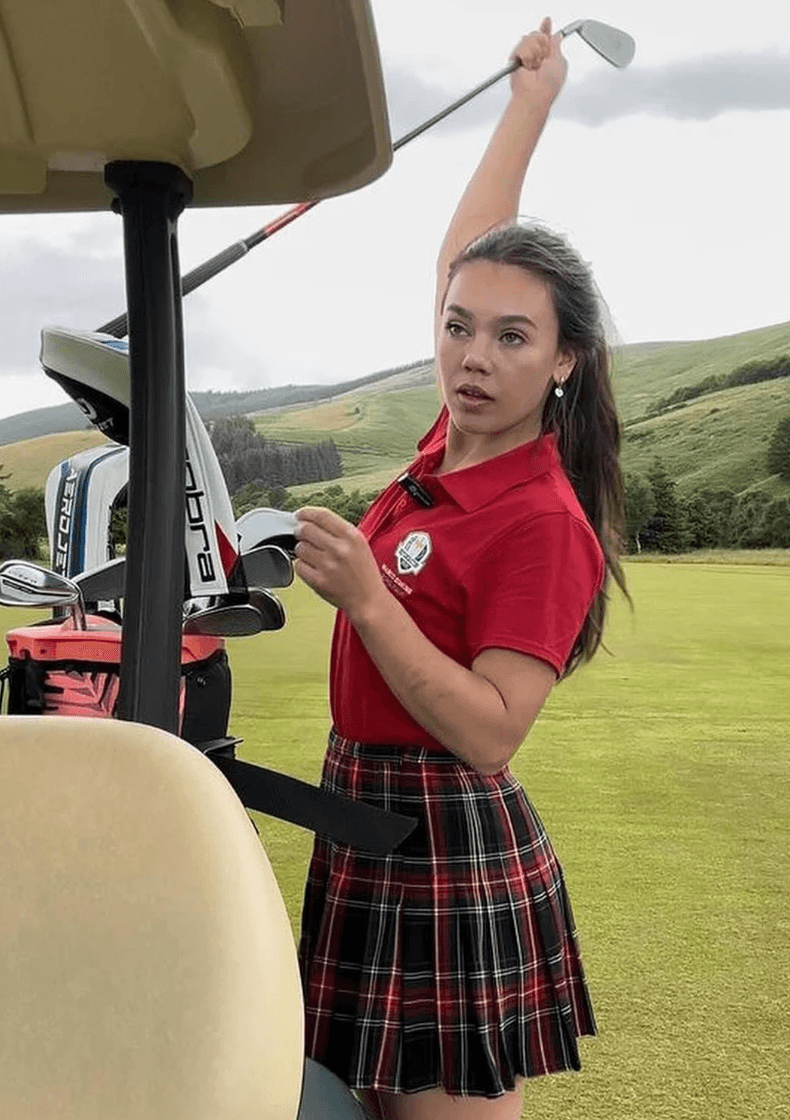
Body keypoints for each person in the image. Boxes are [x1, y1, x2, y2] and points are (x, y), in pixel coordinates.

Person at [293, 17, 627, 1120]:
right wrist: (528, 102)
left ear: (563, 357)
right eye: (457, 328)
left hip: (442, 834)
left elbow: (489, 728)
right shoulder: (449, 445)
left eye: (512, 338)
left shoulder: (544, 519)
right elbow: (473, 252)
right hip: (364, 812)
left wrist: (368, 601)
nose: (474, 357)